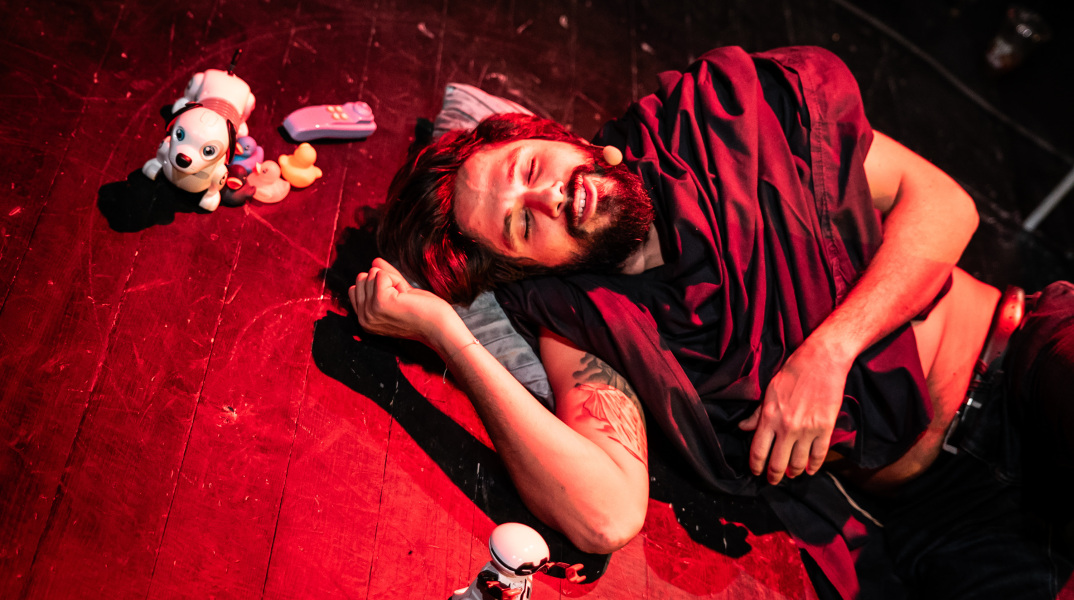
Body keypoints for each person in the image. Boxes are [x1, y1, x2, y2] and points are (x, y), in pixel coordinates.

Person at [349, 46, 1073, 599]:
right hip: (945, 513)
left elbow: (946, 205)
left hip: (1027, 357)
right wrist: (445, 331)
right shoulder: (589, 322)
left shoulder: (715, 118)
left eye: (534, 167)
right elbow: (606, 516)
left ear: (564, 139)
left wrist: (828, 352)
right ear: (526, 267)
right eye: (520, 224)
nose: (550, 198)